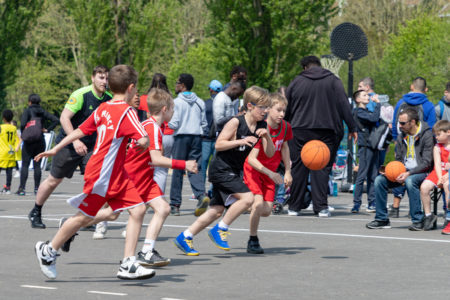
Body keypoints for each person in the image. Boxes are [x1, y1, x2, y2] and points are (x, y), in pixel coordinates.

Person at [34, 64, 155, 280]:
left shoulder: (104, 108)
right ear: (131, 88)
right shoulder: (128, 112)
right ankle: (48, 250)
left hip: (114, 173)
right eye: (136, 89)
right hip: (103, 174)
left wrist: (56, 147)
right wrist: (143, 142)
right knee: (83, 217)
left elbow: (81, 129)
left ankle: (128, 263)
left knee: (137, 210)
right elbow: (143, 138)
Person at [173, 86, 274, 255]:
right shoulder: (236, 122)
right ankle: (220, 228)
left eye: (267, 107)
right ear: (250, 106)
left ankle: (185, 236)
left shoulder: (262, 125)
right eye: (262, 107)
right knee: (248, 198)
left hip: (233, 171)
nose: (265, 111)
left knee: (216, 211)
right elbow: (219, 144)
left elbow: (270, 153)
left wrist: (267, 137)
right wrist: (240, 142)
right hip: (220, 169)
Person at [28, 66, 111, 229]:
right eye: (101, 78)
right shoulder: (80, 95)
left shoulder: (108, 98)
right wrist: (75, 141)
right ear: (93, 77)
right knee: (54, 180)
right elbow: (64, 118)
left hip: (92, 147)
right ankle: (36, 211)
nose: (104, 82)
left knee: (95, 182)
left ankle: (86, 217)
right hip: (70, 143)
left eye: (107, 78)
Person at [284, 55, 357, 217]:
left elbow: (287, 107)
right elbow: (344, 104)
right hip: (327, 129)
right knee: (322, 167)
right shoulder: (333, 81)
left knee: (298, 167)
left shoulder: (297, 81)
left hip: (299, 129)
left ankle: (294, 207)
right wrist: (353, 127)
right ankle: (321, 207)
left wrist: (284, 126)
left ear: (305, 67)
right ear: (319, 65)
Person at [366, 107, 434, 230]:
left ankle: (417, 220)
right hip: (404, 172)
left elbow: (427, 163)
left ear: (412, 122)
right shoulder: (402, 136)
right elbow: (398, 160)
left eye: (402, 123)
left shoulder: (427, 135)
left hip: (423, 172)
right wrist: (390, 170)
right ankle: (382, 219)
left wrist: (408, 173)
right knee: (379, 180)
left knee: (410, 180)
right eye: (399, 122)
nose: (400, 126)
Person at [244, 92, 292, 254]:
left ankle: (239, 205)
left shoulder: (285, 127)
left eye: (284, 111)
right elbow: (251, 159)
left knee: (266, 211)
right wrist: (271, 173)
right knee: (257, 204)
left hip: (269, 173)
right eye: (278, 110)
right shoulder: (261, 128)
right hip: (254, 170)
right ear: (269, 109)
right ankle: (253, 240)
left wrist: (287, 171)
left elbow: (284, 147)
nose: (282, 114)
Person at [168, 73, 209, 216]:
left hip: (181, 137)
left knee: (178, 169)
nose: (175, 85)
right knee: (194, 168)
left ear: (182, 85)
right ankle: (201, 195)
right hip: (196, 137)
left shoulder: (176, 102)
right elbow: (204, 123)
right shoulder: (200, 102)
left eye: (177, 83)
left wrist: (165, 120)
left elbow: (174, 123)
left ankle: (175, 204)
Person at [17, 94, 59, 196]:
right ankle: (37, 189)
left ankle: (22, 189)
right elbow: (56, 120)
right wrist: (47, 129)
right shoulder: (42, 111)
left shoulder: (27, 111)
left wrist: (24, 133)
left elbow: (22, 124)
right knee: (37, 166)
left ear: (29, 102)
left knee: (25, 165)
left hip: (28, 142)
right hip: (40, 140)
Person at [351, 90, 380, 213]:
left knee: (373, 176)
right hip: (365, 147)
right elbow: (374, 118)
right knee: (362, 175)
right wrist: (378, 104)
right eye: (364, 95)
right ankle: (357, 204)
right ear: (358, 100)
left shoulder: (367, 111)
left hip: (372, 146)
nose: (368, 97)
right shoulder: (358, 112)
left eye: (368, 95)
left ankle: (372, 202)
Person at [419, 120, 450, 230]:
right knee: (424, 187)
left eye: (438, 134)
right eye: (435, 135)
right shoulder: (437, 147)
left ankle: (448, 216)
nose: (436, 137)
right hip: (438, 172)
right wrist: (440, 177)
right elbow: (437, 164)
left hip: (448, 174)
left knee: (447, 187)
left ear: (448, 132)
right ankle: (428, 215)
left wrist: (445, 177)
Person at [392, 76, 436, 141]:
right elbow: (431, 128)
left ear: (412, 87)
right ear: (426, 89)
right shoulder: (429, 105)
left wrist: (396, 139)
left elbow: (395, 123)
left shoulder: (400, 102)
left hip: (402, 140)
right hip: (421, 143)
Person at [202, 80, 223, 196]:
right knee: (215, 165)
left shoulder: (206, 103)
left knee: (203, 165)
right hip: (219, 138)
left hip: (206, 138)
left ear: (211, 90)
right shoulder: (224, 103)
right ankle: (212, 190)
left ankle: (201, 191)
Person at [0, 110, 19, 194]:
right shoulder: (14, 128)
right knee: (9, 171)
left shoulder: (1, 127)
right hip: (11, 151)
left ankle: (6, 188)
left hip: (2, 151)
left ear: (3, 118)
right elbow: (17, 139)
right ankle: (8, 187)